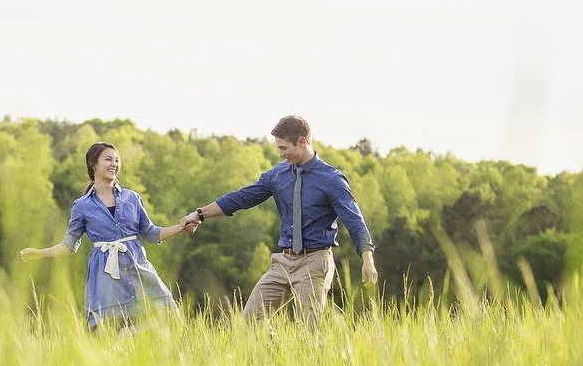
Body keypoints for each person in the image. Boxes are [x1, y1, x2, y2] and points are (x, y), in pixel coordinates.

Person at [180, 115, 377, 320]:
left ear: (302, 142)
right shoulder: (277, 175)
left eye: (284, 148)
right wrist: (199, 214)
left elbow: (354, 221)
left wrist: (367, 259)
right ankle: (275, 349)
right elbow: (240, 198)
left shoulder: (332, 180)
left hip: (315, 261)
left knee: (308, 330)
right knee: (250, 321)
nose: (281, 154)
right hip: (283, 261)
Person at [21, 142, 197, 330]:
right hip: (106, 275)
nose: (114, 164)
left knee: (171, 314)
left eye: (117, 160)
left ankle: (131, 334)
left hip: (137, 266)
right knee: (106, 331)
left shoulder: (132, 198)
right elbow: (69, 245)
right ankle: (125, 336)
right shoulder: (82, 205)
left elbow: (151, 233)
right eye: (108, 159)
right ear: (93, 164)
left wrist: (180, 227)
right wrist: (40, 253)